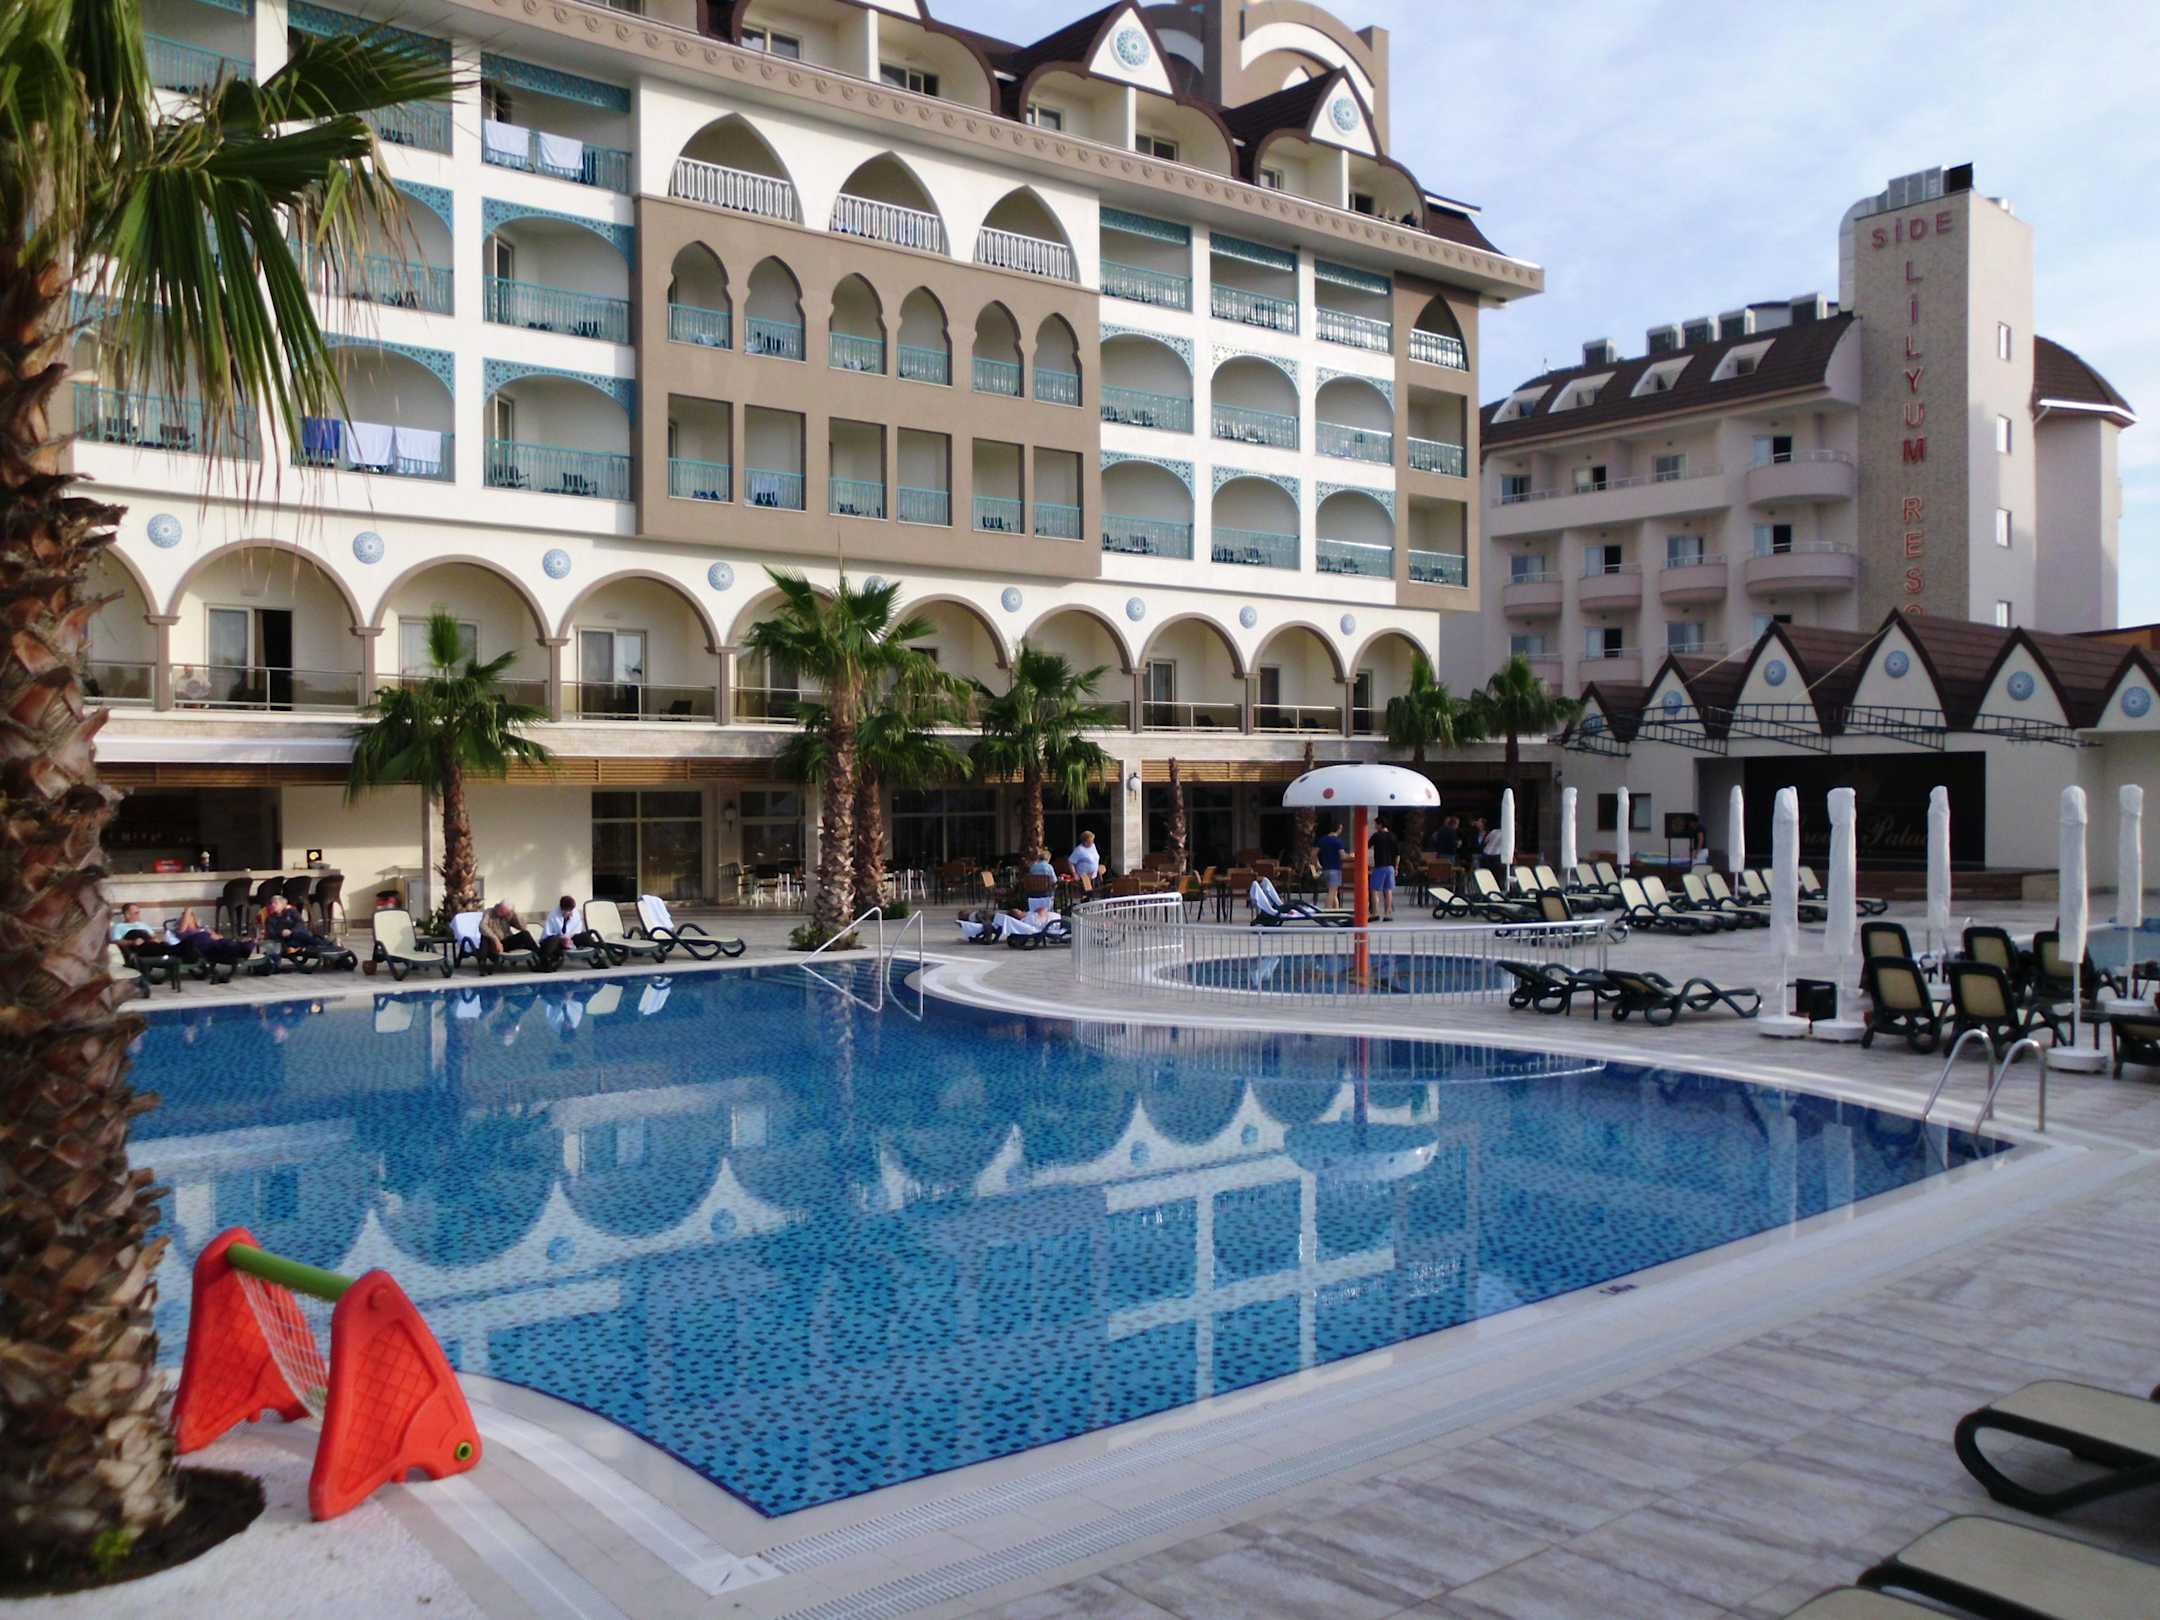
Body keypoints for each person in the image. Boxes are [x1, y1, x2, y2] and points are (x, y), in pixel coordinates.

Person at [173, 906, 251, 969]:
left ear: (194, 919)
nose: (186, 920)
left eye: (190, 918)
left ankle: (246, 946)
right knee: (230, 947)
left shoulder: (202, 928)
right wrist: (188, 910)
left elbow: (219, 937)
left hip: (215, 943)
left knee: (230, 944)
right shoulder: (183, 931)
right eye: (184, 918)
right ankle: (245, 948)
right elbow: (183, 926)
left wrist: (213, 934)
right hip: (205, 947)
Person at [260, 893, 327, 957]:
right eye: (272, 903)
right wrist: (281, 932)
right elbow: (271, 933)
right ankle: (321, 944)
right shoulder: (270, 919)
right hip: (284, 941)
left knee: (301, 934)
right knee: (303, 937)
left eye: (276, 903)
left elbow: (300, 923)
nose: (273, 905)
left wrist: (291, 931)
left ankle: (322, 944)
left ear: (282, 904)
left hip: (297, 936)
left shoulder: (292, 912)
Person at [1369, 822, 1400, 920]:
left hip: (1379, 866)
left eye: (1376, 824)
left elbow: (1366, 846)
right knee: (1388, 890)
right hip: (1390, 867)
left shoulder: (1376, 836)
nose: (1375, 826)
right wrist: (1396, 867)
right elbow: (1397, 854)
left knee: (1374, 890)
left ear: (1380, 824)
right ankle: (1387, 914)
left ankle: (1375, 913)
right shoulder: (1393, 836)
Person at [1316, 823, 1346, 907]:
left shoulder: (1323, 840)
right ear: (1338, 829)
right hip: (1335, 869)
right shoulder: (1338, 841)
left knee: (1334, 892)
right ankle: (1327, 910)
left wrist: (1317, 864)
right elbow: (1343, 856)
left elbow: (1313, 854)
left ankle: (1336, 911)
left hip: (1325, 869)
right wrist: (1351, 855)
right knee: (1332, 893)